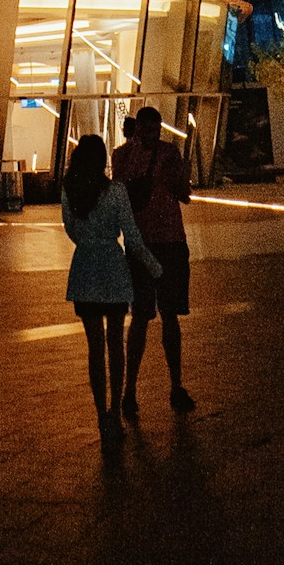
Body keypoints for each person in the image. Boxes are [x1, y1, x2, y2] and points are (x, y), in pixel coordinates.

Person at [60, 133, 158, 450]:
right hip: (114, 269)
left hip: (84, 268)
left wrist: (89, 244)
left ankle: (101, 414)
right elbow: (131, 235)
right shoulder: (115, 191)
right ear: (102, 160)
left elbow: (71, 229)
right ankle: (115, 410)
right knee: (115, 342)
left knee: (94, 347)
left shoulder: (71, 191)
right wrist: (154, 266)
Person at [114, 104, 196, 416]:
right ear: (139, 128)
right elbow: (182, 194)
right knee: (157, 315)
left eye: (155, 129)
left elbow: (181, 194)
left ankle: (138, 391)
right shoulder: (137, 155)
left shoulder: (150, 155)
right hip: (157, 243)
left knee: (152, 316)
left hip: (152, 243)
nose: (151, 135)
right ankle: (153, 388)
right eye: (148, 129)